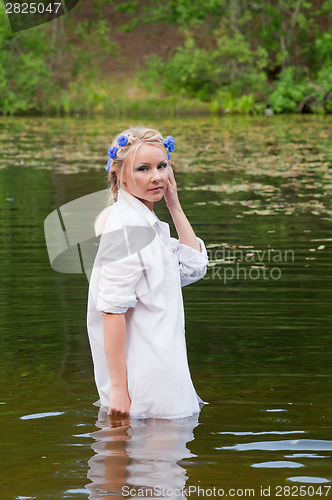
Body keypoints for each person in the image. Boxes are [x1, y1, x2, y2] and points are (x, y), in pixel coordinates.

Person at [87, 127, 209, 419]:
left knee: (162, 462)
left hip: (165, 368)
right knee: (153, 461)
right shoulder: (127, 229)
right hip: (147, 383)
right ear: (122, 176)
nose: (157, 177)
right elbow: (111, 311)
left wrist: (174, 205)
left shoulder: (148, 224)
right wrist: (118, 389)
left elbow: (193, 267)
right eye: (144, 168)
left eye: (162, 166)